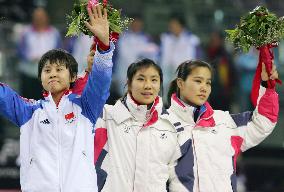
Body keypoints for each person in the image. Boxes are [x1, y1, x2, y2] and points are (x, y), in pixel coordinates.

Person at [0, 5, 114, 191]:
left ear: (72, 77)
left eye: (59, 69)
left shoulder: (85, 107)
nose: (53, 74)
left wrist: (103, 47)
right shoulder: (29, 111)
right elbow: (3, 97)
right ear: (41, 80)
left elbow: (101, 81)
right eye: (47, 70)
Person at [166, 60, 279, 191]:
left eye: (208, 83)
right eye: (198, 81)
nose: (204, 88)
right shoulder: (163, 125)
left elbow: (263, 122)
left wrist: (267, 85)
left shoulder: (224, 122)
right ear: (181, 83)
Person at [17, 7, 61, 99]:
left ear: (47, 18)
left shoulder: (54, 33)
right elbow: (20, 50)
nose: (39, 19)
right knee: (28, 100)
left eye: (41, 16)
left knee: (46, 103)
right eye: (37, 16)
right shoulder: (26, 32)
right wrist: (29, 57)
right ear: (33, 18)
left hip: (48, 76)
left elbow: (59, 51)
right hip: (28, 73)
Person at [159, 13, 202, 105]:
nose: (172, 27)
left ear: (181, 25)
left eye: (174, 24)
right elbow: (161, 59)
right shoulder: (165, 39)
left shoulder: (192, 40)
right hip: (168, 79)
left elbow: (198, 61)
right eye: (170, 25)